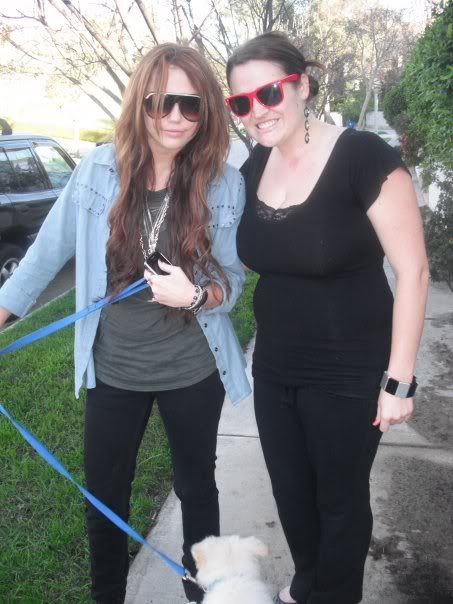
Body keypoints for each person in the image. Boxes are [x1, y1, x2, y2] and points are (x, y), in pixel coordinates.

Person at [0, 43, 250, 604]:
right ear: (141, 103)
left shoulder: (223, 183)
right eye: (162, 102)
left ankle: (204, 593)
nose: (176, 117)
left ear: (207, 110)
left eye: (191, 105)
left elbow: (232, 280)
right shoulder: (97, 169)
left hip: (192, 368)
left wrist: (196, 295)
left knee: (197, 489)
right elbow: (44, 255)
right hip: (114, 369)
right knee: (104, 496)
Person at [225, 31, 429, 604]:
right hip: (276, 367)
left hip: (349, 371)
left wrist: (399, 380)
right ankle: (308, 583)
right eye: (241, 102)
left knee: (339, 502)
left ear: (303, 86)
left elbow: (413, 271)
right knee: (291, 494)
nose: (257, 111)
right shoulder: (253, 166)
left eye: (269, 93)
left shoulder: (364, 158)